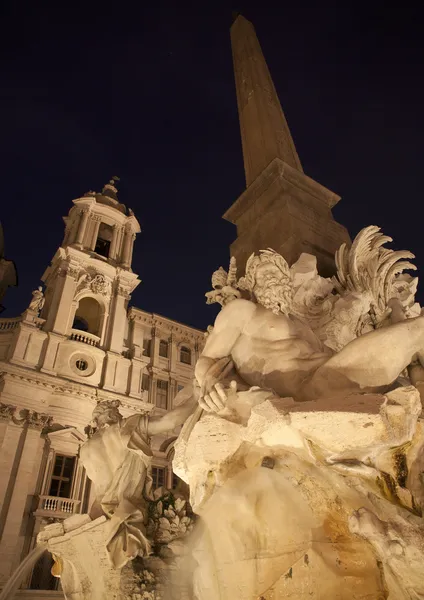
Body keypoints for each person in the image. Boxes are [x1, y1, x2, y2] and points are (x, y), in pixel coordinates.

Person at [195, 251, 424, 410]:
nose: (271, 278)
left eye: (275, 273)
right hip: (310, 390)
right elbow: (208, 357)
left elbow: (334, 355)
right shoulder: (242, 310)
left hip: (334, 376)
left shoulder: (299, 323)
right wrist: (210, 382)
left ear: (286, 279)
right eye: (263, 275)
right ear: (253, 285)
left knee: (409, 369)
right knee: (418, 330)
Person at [79, 384, 198, 569]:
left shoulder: (86, 448)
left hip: (99, 515)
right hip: (129, 513)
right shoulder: (128, 426)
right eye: (118, 413)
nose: (121, 416)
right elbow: (171, 420)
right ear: (112, 415)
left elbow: (99, 487)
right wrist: (197, 395)